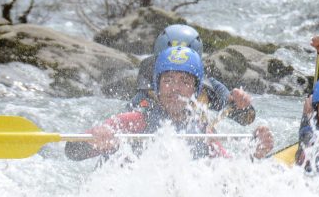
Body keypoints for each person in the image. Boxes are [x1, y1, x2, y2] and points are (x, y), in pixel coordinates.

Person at [67, 46, 273, 161]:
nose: (175, 88)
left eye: (185, 81)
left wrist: (254, 154)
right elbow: (72, 152)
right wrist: (93, 138)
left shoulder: (201, 132)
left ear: (196, 90)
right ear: (157, 87)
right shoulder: (133, 121)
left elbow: (230, 177)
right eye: (168, 80)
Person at [131, 24, 255, 126]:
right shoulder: (146, 92)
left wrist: (243, 106)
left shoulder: (210, 88)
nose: (176, 87)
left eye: (184, 79)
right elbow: (124, 121)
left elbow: (245, 119)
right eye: (169, 77)